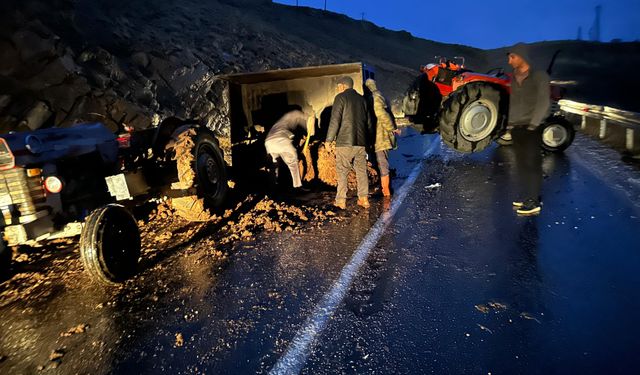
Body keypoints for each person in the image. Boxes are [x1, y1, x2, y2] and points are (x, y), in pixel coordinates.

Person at [507, 43, 550, 216]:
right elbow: (513, 102)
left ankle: (534, 202)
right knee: (521, 164)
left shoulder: (539, 76)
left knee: (533, 165)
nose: (509, 61)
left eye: (512, 57)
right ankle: (527, 196)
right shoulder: (513, 77)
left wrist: (534, 124)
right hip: (517, 127)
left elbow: (543, 101)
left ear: (522, 56)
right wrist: (510, 124)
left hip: (532, 127)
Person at [325, 76, 372, 209]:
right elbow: (369, 123)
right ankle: (363, 199)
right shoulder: (362, 100)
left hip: (345, 142)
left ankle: (341, 201)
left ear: (344, 86)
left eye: (339, 86)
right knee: (361, 171)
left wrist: (329, 140)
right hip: (361, 142)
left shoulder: (340, 98)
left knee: (342, 171)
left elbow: (335, 120)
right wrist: (369, 141)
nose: (338, 88)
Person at [365, 78, 400, 197]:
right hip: (378, 135)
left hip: (379, 136)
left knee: (382, 162)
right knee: (381, 161)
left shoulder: (374, 97)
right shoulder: (377, 96)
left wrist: (391, 128)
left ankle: (386, 191)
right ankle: (385, 188)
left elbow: (381, 113)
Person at [264, 108, 315, 191]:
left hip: (268, 142)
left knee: (274, 165)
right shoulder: (295, 115)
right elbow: (292, 135)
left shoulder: (280, 123)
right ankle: (297, 186)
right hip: (281, 140)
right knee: (293, 163)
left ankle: (272, 188)